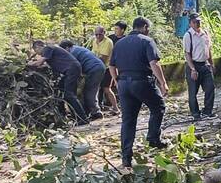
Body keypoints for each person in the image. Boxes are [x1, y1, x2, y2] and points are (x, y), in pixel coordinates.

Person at [109, 17, 169, 168]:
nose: (148, 30)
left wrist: (117, 81)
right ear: (143, 27)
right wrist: (162, 83)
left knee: (128, 120)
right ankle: (153, 138)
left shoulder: (119, 43)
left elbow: (111, 65)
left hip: (124, 84)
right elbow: (154, 63)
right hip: (142, 81)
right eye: (147, 28)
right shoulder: (147, 41)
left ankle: (126, 158)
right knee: (158, 107)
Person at [28, 40, 87, 124]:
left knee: (69, 95)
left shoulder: (47, 48)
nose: (38, 54)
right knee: (59, 91)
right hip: (69, 70)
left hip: (71, 69)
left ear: (38, 47)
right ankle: (64, 116)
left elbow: (39, 63)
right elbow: (44, 65)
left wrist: (28, 64)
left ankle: (83, 118)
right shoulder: (50, 51)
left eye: (36, 51)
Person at [59, 40, 105, 121]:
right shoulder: (78, 49)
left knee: (88, 91)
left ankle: (94, 113)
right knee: (92, 90)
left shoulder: (73, 53)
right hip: (98, 67)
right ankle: (93, 111)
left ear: (66, 48)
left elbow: (74, 67)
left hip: (93, 69)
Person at [183, 12, 215, 120]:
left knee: (210, 88)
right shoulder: (188, 36)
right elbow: (187, 53)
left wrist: (211, 63)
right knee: (193, 92)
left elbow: (208, 49)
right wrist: (192, 69)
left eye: (198, 22)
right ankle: (195, 113)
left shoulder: (205, 33)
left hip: (205, 64)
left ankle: (207, 111)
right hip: (194, 65)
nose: (197, 24)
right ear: (190, 23)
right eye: (194, 22)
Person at [91, 25, 119, 115]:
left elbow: (103, 58)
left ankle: (115, 108)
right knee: (96, 88)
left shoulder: (108, 42)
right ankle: (98, 107)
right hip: (97, 67)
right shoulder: (94, 41)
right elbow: (93, 54)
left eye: (100, 34)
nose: (98, 36)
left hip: (107, 68)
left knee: (107, 89)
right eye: (96, 35)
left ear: (104, 33)